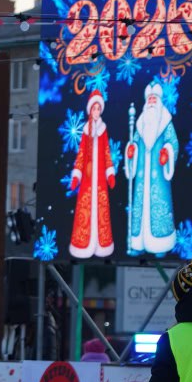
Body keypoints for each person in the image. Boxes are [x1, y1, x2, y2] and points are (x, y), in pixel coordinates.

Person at [124, 79, 180, 255]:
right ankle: (138, 243)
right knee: (140, 207)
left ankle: (160, 244)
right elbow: (133, 144)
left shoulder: (165, 121)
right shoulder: (140, 123)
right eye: (150, 99)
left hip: (158, 177)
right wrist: (130, 151)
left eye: (155, 99)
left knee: (158, 206)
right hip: (142, 175)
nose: (151, 102)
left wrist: (167, 151)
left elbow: (174, 143)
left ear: (159, 100)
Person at [69, 89, 116, 258]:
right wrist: (76, 176)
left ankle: (102, 245)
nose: (96, 112)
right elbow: (81, 154)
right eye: (94, 109)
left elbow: (106, 152)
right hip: (88, 181)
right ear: (90, 110)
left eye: (98, 109)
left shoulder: (103, 129)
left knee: (101, 210)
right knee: (86, 209)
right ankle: (82, 245)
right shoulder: (86, 131)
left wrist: (110, 172)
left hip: (100, 182)